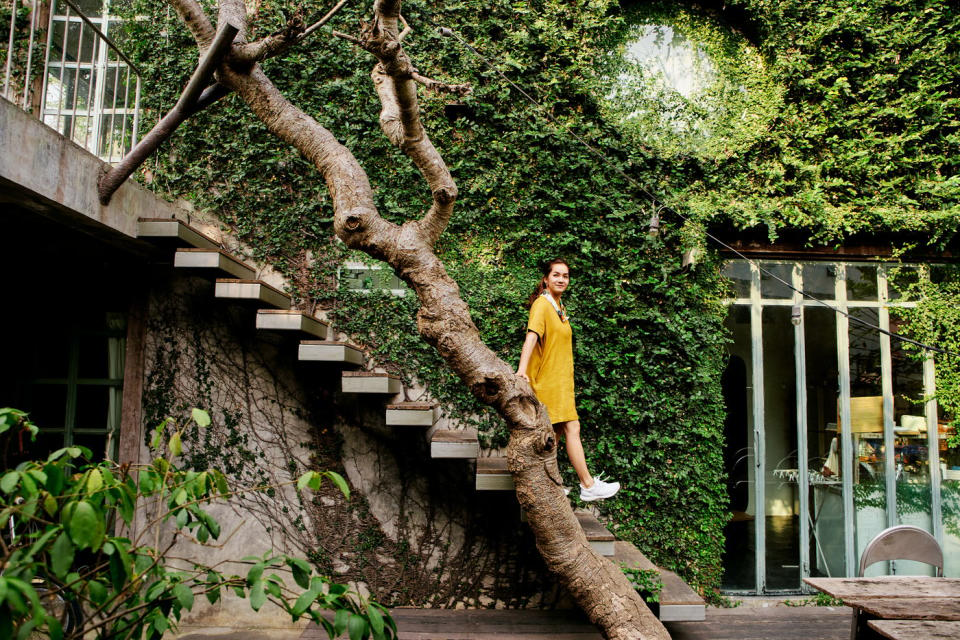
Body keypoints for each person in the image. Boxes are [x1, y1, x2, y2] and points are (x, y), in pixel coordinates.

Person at [515, 258, 620, 502]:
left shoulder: (558, 307)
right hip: (548, 382)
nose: (562, 279)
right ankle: (587, 484)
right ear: (546, 279)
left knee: (552, 438)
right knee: (570, 428)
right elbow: (531, 336)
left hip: (560, 382)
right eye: (557, 275)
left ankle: (548, 484)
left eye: (566, 276)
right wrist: (522, 370)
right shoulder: (542, 305)